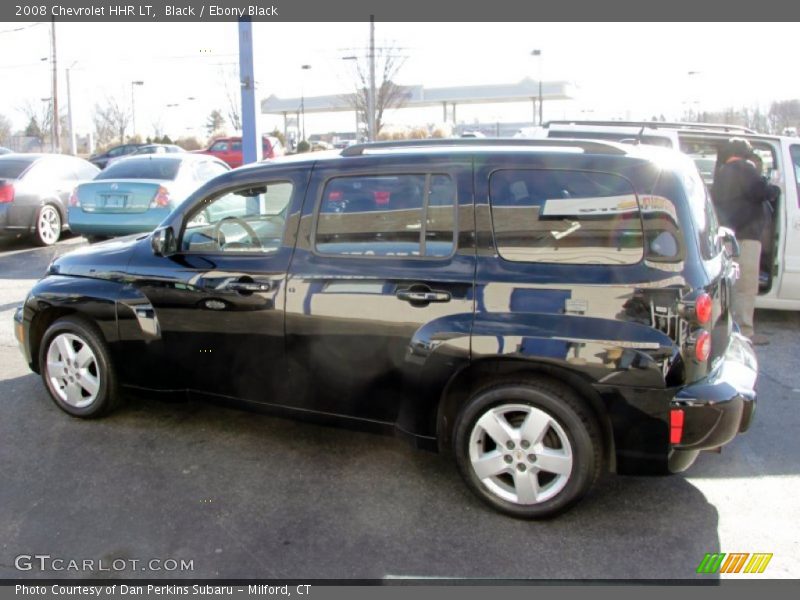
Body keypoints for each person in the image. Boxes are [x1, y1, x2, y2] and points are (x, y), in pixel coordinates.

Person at [711, 138, 779, 346]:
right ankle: (745, 332)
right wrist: (775, 187)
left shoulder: (721, 173)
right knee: (746, 285)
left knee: (729, 283)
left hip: (728, 236)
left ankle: (726, 330)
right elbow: (762, 192)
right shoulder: (745, 169)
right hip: (746, 237)